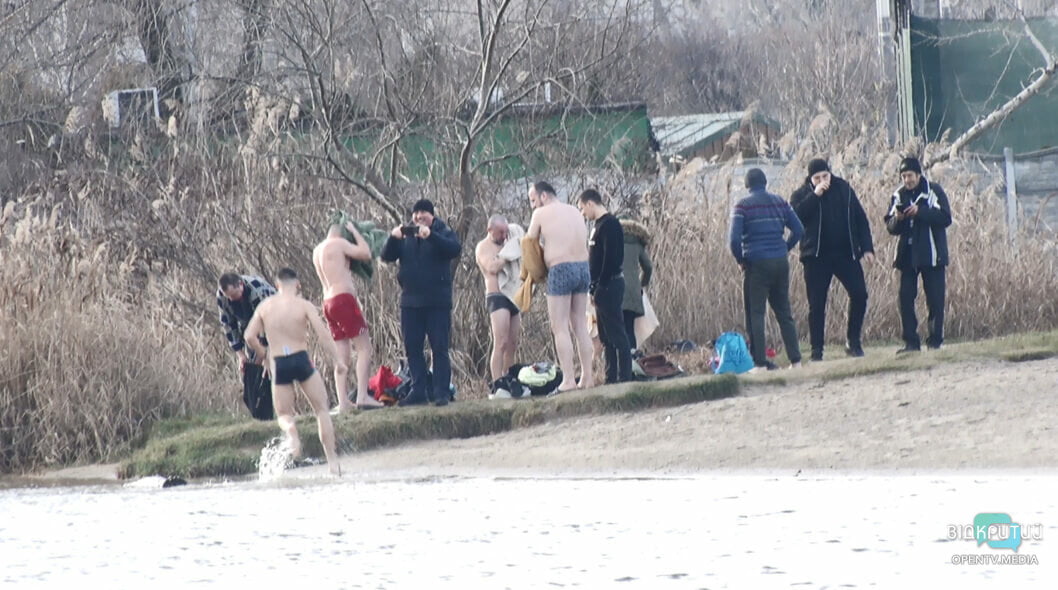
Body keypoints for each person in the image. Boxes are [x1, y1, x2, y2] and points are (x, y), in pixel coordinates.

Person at [243, 268, 347, 475]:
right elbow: (323, 334)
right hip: (301, 359)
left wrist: (265, 355)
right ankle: (333, 463)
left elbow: (249, 336)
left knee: (284, 414)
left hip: (280, 361)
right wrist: (338, 360)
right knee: (321, 410)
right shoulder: (304, 305)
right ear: (297, 284)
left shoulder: (265, 306)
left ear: (277, 285)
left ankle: (291, 434)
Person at [790, 158, 875, 360]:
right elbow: (795, 217)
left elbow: (860, 219)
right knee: (817, 304)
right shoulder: (802, 194)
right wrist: (815, 194)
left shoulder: (844, 189)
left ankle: (853, 342)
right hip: (816, 256)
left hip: (846, 253)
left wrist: (867, 248)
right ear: (810, 179)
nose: (822, 181)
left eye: (825, 176)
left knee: (860, 294)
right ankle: (816, 350)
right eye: (817, 178)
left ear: (830, 173)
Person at [380, 199, 462, 406]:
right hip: (410, 302)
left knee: (439, 347)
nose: (419, 217)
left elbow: (454, 249)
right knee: (412, 348)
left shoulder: (442, 231)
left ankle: (441, 391)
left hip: (437, 302)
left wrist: (430, 236)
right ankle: (418, 390)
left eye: (423, 213)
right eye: (416, 213)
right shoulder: (406, 235)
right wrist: (393, 237)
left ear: (432, 215)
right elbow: (386, 256)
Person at [729, 168, 805, 371]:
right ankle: (796, 360)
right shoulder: (780, 201)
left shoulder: (742, 205)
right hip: (780, 261)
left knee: (756, 313)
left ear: (747, 186)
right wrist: (785, 248)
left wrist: (740, 259)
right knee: (784, 312)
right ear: (765, 183)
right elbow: (799, 230)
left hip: (756, 263)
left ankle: (760, 362)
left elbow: (734, 239)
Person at [527, 181, 594, 391]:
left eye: (533, 200)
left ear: (544, 196)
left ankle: (568, 379)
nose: (532, 205)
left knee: (560, 326)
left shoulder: (540, 214)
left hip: (560, 268)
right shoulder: (575, 210)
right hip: (583, 268)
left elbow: (529, 243)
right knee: (581, 325)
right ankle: (588, 377)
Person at [312, 220, 385, 412]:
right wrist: (355, 231)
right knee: (364, 348)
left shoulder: (317, 250)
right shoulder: (338, 243)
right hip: (343, 299)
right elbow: (365, 253)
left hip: (328, 303)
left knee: (341, 354)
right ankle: (362, 396)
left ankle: (343, 401)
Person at [884, 156, 952, 353]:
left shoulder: (933, 191)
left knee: (935, 299)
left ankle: (935, 342)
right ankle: (911, 343)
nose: (907, 180)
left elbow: (946, 217)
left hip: (932, 254)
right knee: (905, 298)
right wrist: (898, 219)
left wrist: (920, 212)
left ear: (919, 174)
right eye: (903, 176)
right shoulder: (898, 195)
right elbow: (890, 227)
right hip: (907, 256)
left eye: (910, 175)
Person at [578, 189, 631, 384]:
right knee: (606, 336)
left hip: (610, 285)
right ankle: (611, 377)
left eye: (582, 208)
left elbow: (612, 258)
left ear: (591, 204)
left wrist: (601, 285)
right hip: (599, 288)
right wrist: (592, 288)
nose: (583, 214)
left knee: (617, 333)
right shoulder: (596, 226)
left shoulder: (610, 225)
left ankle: (625, 376)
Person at [216, 273, 276, 419]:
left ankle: (284, 413)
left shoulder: (258, 290)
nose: (231, 299)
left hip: (275, 324)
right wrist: (240, 354)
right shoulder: (222, 296)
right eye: (228, 296)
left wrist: (266, 356)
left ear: (241, 285)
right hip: (248, 327)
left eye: (234, 295)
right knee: (251, 370)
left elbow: (266, 324)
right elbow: (228, 325)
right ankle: (261, 416)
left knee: (271, 368)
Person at [475, 215, 524, 381]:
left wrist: (513, 246)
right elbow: (492, 267)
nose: (504, 236)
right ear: (490, 230)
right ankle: (497, 382)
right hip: (497, 296)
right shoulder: (483, 247)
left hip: (513, 295)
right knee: (501, 342)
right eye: (500, 232)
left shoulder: (510, 240)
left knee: (512, 343)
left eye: (505, 232)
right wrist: (508, 253)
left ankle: (508, 376)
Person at [619, 217, 653, 352]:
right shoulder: (637, 245)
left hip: (615, 289)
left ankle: (618, 364)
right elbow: (648, 267)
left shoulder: (612, 241)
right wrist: (642, 283)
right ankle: (632, 361)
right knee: (629, 327)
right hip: (633, 290)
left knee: (616, 329)